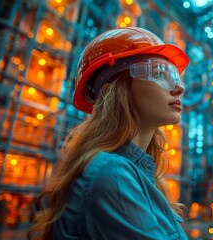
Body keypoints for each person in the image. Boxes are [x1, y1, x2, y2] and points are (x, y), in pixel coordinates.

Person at [27, 27, 189, 240]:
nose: (179, 88)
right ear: (113, 88)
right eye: (159, 73)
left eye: (175, 76)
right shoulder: (112, 174)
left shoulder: (137, 173)